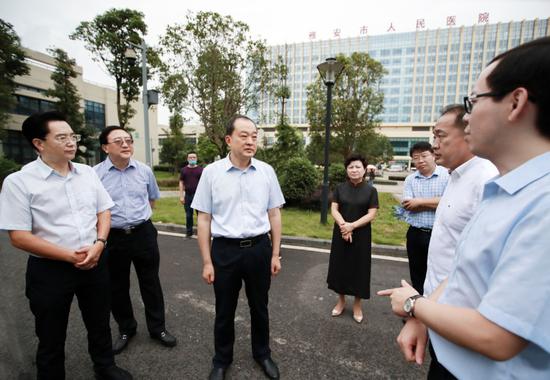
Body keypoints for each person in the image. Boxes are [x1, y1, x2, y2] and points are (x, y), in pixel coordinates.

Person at [379, 37, 550, 379]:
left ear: (516, 102)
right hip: (450, 354)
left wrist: (414, 304)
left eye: (473, 102)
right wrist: (424, 317)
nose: (467, 117)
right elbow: (460, 269)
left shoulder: (542, 202)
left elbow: (499, 336)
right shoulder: (504, 186)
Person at [0, 112, 132, 379]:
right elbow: (19, 236)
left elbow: (104, 211)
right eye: (62, 137)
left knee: (99, 322)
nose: (71, 142)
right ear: (39, 143)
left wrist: (99, 243)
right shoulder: (19, 182)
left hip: (94, 261)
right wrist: (70, 256)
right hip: (50, 269)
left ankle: (105, 366)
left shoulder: (86, 173)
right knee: (50, 332)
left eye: (73, 136)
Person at [400, 104, 498, 377]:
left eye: (440, 136)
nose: (434, 145)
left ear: (468, 132)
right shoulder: (457, 177)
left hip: (461, 314)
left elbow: (475, 261)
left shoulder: (487, 181)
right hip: (440, 307)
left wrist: (416, 307)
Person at [192, 115, 285, 380]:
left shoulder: (266, 171)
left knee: (260, 306)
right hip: (225, 251)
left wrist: (275, 253)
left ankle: (263, 354)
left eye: (254, 136)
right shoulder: (211, 173)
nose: (250, 141)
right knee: (224, 309)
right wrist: (207, 261)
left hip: (259, 249)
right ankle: (221, 360)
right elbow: (204, 219)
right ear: (229, 139)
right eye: (244, 135)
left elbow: (275, 214)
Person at [94, 126, 176, 355]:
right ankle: (126, 328)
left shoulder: (144, 171)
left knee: (150, 282)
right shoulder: (94, 175)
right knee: (117, 286)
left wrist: (138, 221)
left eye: (128, 140)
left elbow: (151, 200)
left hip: (143, 234)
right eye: (118, 141)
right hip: (113, 238)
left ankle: (157, 328)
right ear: (105, 147)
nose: (125, 144)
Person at [327, 153, 378, 323]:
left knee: (359, 268)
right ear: (346, 170)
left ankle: (357, 305)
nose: (354, 170)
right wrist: (343, 226)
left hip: (361, 234)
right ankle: (341, 301)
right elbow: (334, 209)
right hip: (341, 233)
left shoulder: (371, 190)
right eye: (351, 167)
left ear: (364, 170)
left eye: (357, 167)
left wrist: (352, 226)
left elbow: (372, 214)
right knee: (340, 266)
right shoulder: (340, 188)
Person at [401, 142, 448, 293]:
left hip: (439, 233)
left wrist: (419, 202)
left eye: (424, 155)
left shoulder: (447, 175)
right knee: (416, 273)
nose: (420, 160)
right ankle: (417, 309)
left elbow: (449, 202)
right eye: (416, 157)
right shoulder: (410, 179)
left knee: (438, 273)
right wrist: (435, 202)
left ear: (433, 155)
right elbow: (408, 205)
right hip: (415, 233)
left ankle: (433, 310)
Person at [179, 151, 203, 237]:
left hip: (199, 196)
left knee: (200, 215)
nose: (192, 159)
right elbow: (181, 182)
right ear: (187, 159)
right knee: (188, 215)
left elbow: (204, 183)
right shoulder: (183, 170)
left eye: (194, 157)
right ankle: (189, 233)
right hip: (188, 195)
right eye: (190, 158)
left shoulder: (201, 170)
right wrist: (181, 196)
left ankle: (201, 232)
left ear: (196, 159)